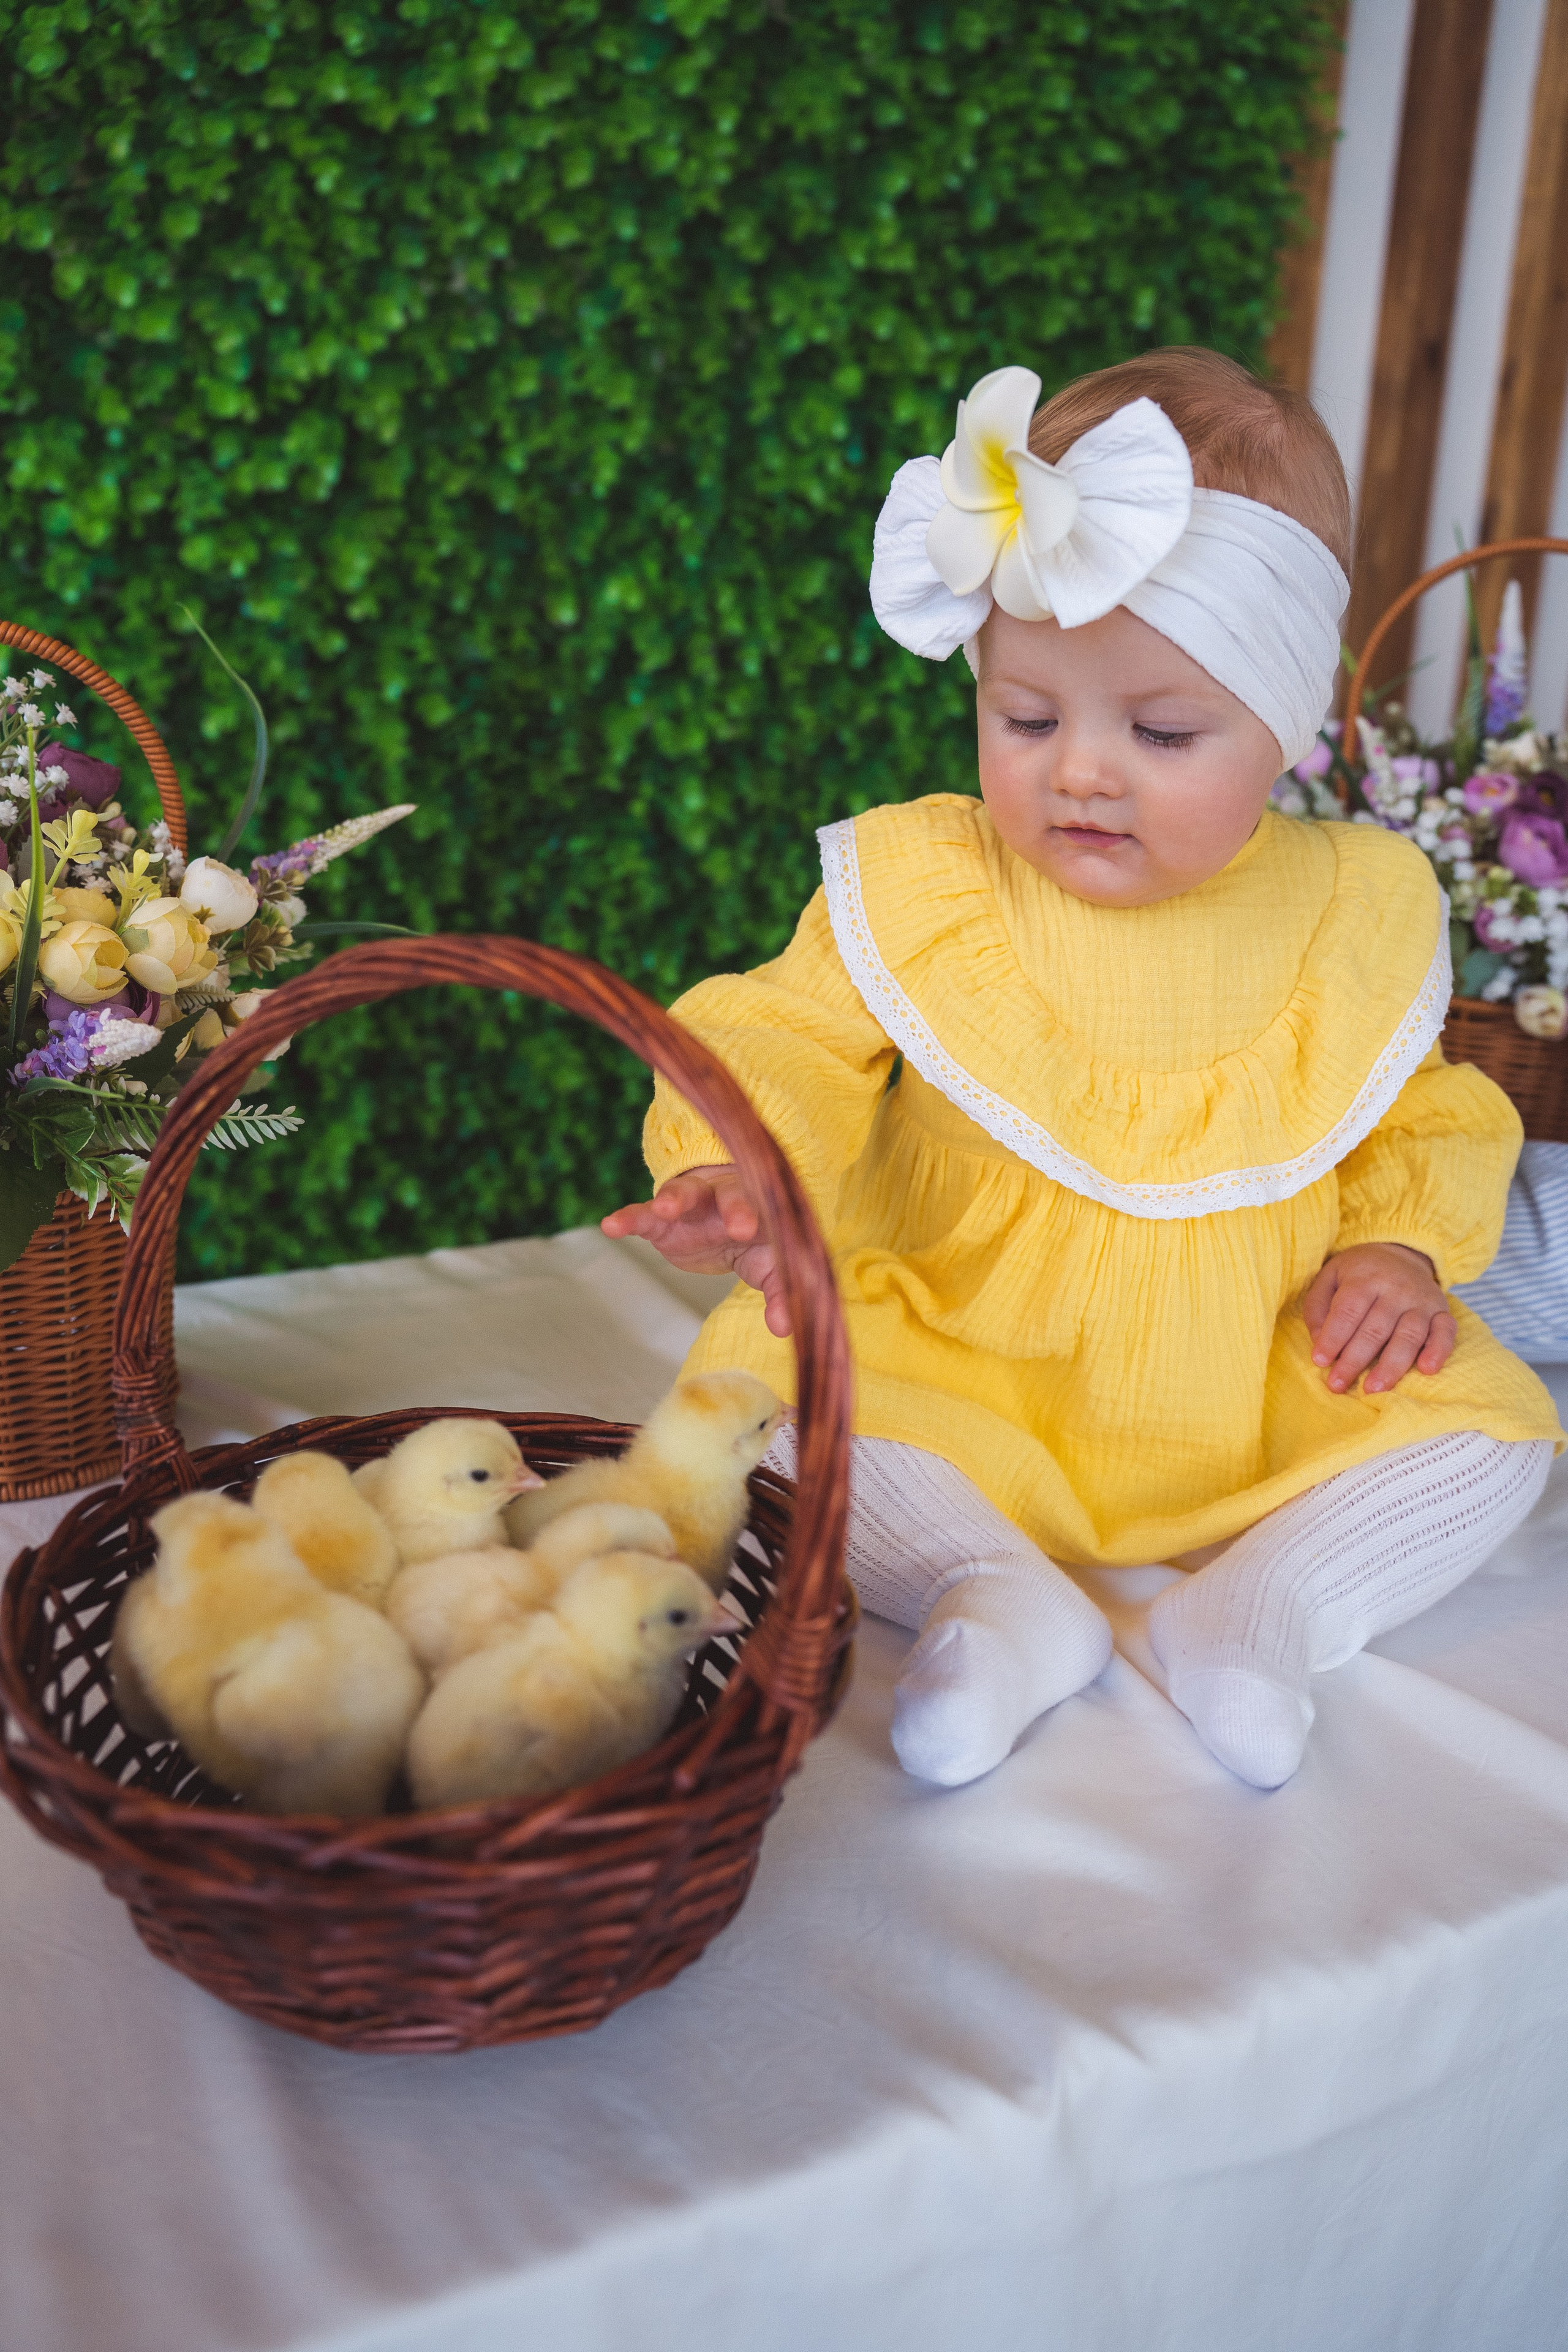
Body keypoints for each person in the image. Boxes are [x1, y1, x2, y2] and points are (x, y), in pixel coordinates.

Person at [604, 349, 1562, 1792]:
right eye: (1026, 717)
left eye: (1162, 732)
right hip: (969, 1350)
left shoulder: (1351, 903)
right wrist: (736, 1165)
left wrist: (1398, 1247)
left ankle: (1263, 1606)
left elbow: (1420, 1108)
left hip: (1257, 1369)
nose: (1081, 774)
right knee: (771, 1405)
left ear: (1284, 725)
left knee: (1492, 1436)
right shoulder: (930, 880)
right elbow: (779, 1031)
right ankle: (992, 1591)